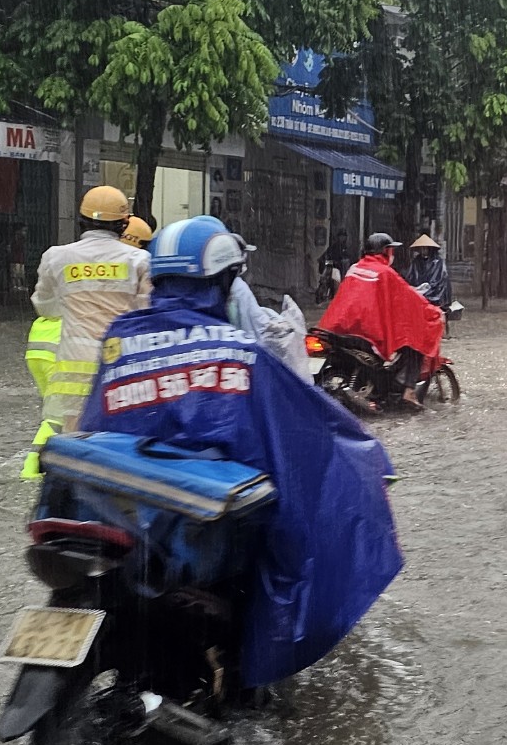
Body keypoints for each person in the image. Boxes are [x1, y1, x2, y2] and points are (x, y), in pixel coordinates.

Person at [80, 217, 403, 687]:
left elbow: (95, 424)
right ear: (222, 281)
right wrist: (365, 455)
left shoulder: (117, 341)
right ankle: (246, 667)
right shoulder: (238, 351)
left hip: (118, 515)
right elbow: (306, 426)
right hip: (193, 528)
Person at [23, 185, 151, 478]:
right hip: (119, 366)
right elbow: (145, 314)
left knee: (73, 442)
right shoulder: (139, 261)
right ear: (123, 223)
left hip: (73, 369)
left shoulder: (56, 257)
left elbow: (45, 306)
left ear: (81, 221)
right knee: (118, 445)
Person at [318, 231, 444, 406]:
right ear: (385, 251)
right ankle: (408, 392)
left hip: (338, 327)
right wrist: (433, 312)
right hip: (366, 332)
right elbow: (408, 296)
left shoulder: (354, 268)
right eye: (391, 250)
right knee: (415, 342)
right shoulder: (385, 273)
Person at [403, 232, 454, 314]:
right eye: (421, 248)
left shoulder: (438, 262)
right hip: (420, 292)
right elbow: (411, 277)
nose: (423, 251)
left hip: (435, 293)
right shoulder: (416, 261)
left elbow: (440, 279)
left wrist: (428, 289)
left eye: (425, 248)